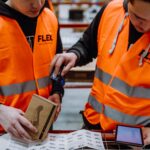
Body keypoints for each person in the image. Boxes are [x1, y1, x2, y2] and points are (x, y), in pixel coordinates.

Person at [50, 0, 150, 145]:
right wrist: (75, 54)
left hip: (136, 138)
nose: (145, 26)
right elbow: (87, 44)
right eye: (138, 17)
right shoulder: (111, 12)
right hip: (94, 126)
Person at [0, 0, 64, 140]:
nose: (37, 5)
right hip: (4, 131)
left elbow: (57, 66)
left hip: (41, 127)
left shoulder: (50, 18)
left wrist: (57, 92)